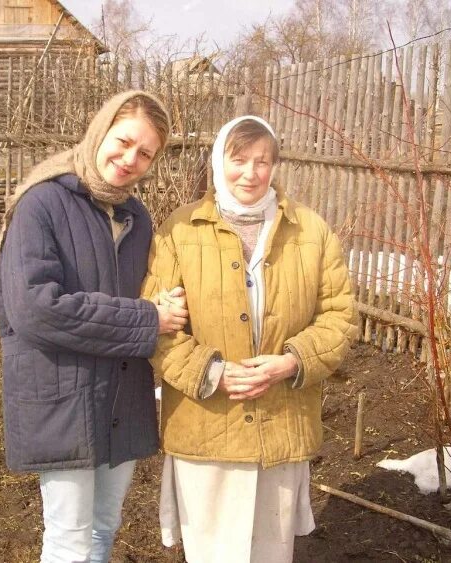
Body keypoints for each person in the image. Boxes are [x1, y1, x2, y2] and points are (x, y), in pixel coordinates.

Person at [143, 115, 358, 562]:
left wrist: (293, 361)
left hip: (280, 420)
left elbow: (340, 317)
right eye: (239, 159)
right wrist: (213, 372)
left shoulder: (311, 231)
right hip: (207, 422)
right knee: (213, 550)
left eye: (263, 161)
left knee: (269, 551)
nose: (251, 172)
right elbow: (156, 326)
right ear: (218, 162)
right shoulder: (179, 232)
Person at [0, 90, 187, 563]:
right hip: (63, 395)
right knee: (69, 537)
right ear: (100, 131)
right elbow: (36, 309)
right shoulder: (42, 203)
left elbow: (139, 291)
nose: (129, 159)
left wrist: (160, 300)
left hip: (120, 394)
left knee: (103, 529)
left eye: (145, 153)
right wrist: (148, 318)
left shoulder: (135, 217)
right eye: (123, 142)